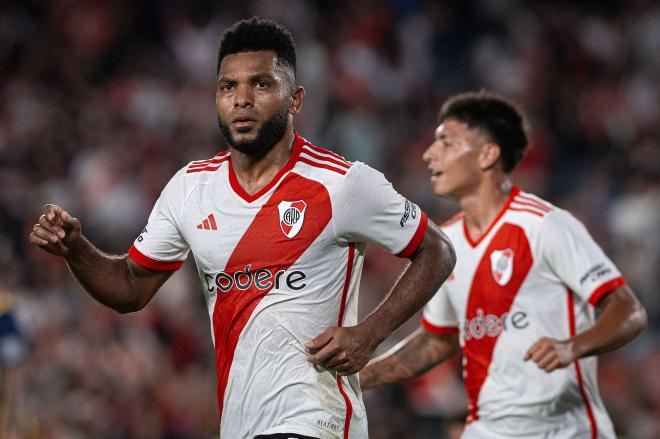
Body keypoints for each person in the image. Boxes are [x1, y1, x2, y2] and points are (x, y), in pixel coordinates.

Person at [28, 17, 456, 439]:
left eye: (261, 84)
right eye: (228, 86)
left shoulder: (341, 184)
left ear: (295, 100)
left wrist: (370, 333)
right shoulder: (190, 189)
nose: (242, 99)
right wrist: (77, 250)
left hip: (316, 421)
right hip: (240, 426)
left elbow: (437, 249)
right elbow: (130, 287)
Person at [358, 91, 647, 439]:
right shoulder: (444, 246)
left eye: (446, 143)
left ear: (488, 154)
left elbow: (628, 311)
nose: (428, 154)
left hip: (565, 430)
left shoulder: (546, 225)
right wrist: (357, 379)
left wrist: (572, 346)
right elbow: (438, 341)